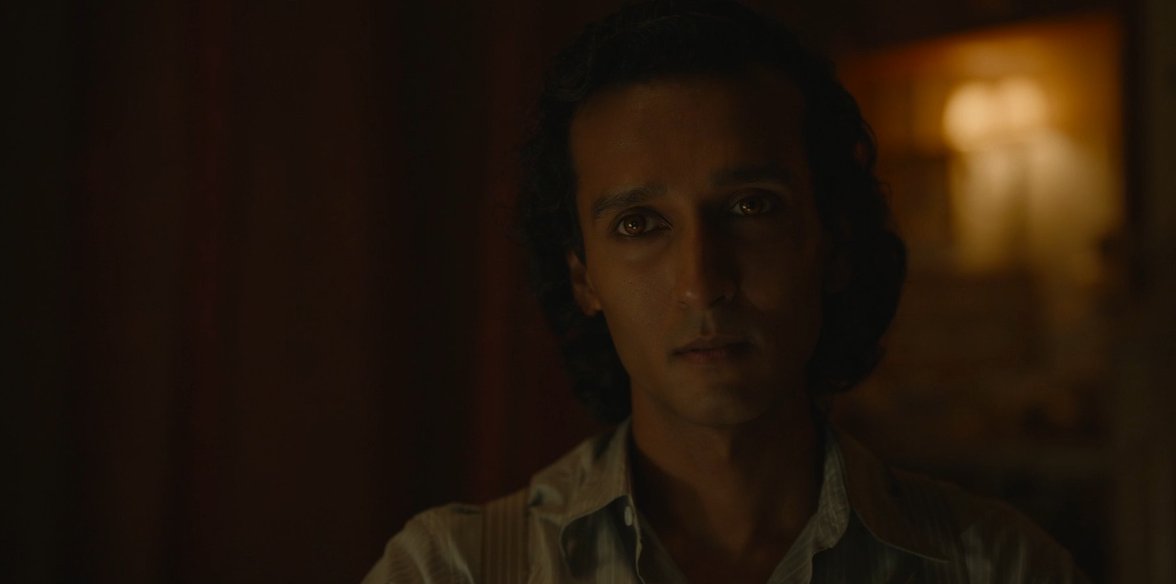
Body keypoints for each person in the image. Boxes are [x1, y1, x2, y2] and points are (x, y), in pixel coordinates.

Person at [364, 1, 1087, 582]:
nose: (703, 283)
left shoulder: (997, 567)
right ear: (584, 276)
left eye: (750, 207)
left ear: (830, 244)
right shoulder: (453, 570)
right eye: (639, 224)